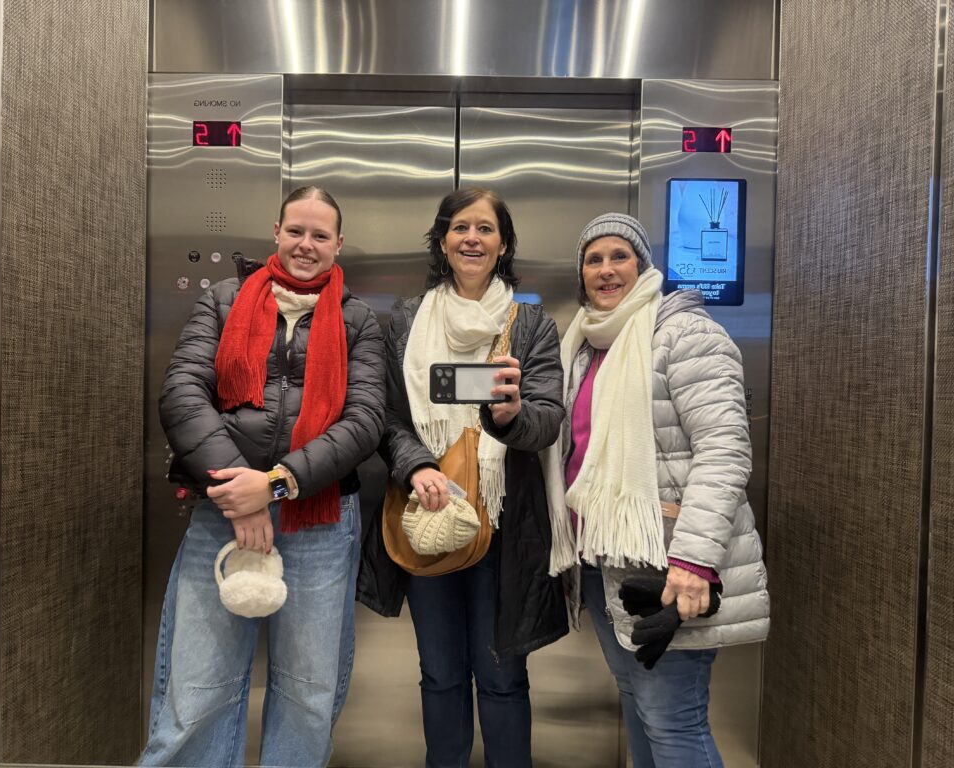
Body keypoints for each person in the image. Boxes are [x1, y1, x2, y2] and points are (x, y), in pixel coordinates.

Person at [140, 186, 385, 768]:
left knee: (307, 693)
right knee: (196, 689)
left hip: (321, 521)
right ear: (276, 232)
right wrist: (244, 492)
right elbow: (182, 393)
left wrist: (276, 484)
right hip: (223, 512)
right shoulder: (224, 300)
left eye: (320, 235)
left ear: (338, 244)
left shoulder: (358, 320)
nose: (306, 244)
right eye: (296, 231)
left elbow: (366, 420)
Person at [542, 213, 770, 768]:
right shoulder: (586, 345)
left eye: (619, 256)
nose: (606, 269)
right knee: (640, 704)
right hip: (603, 561)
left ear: (643, 267)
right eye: (593, 259)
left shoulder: (686, 335)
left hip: (668, 564)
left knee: (672, 720)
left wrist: (693, 561)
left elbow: (725, 453)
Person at [357, 187, 568, 768]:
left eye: (485, 229)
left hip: (504, 523)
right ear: (443, 241)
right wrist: (418, 465)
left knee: (502, 677)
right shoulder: (406, 320)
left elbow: (548, 420)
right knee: (441, 672)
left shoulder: (531, 325)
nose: (472, 238)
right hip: (427, 513)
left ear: (503, 246)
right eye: (460, 228)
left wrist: (512, 416)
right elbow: (387, 418)